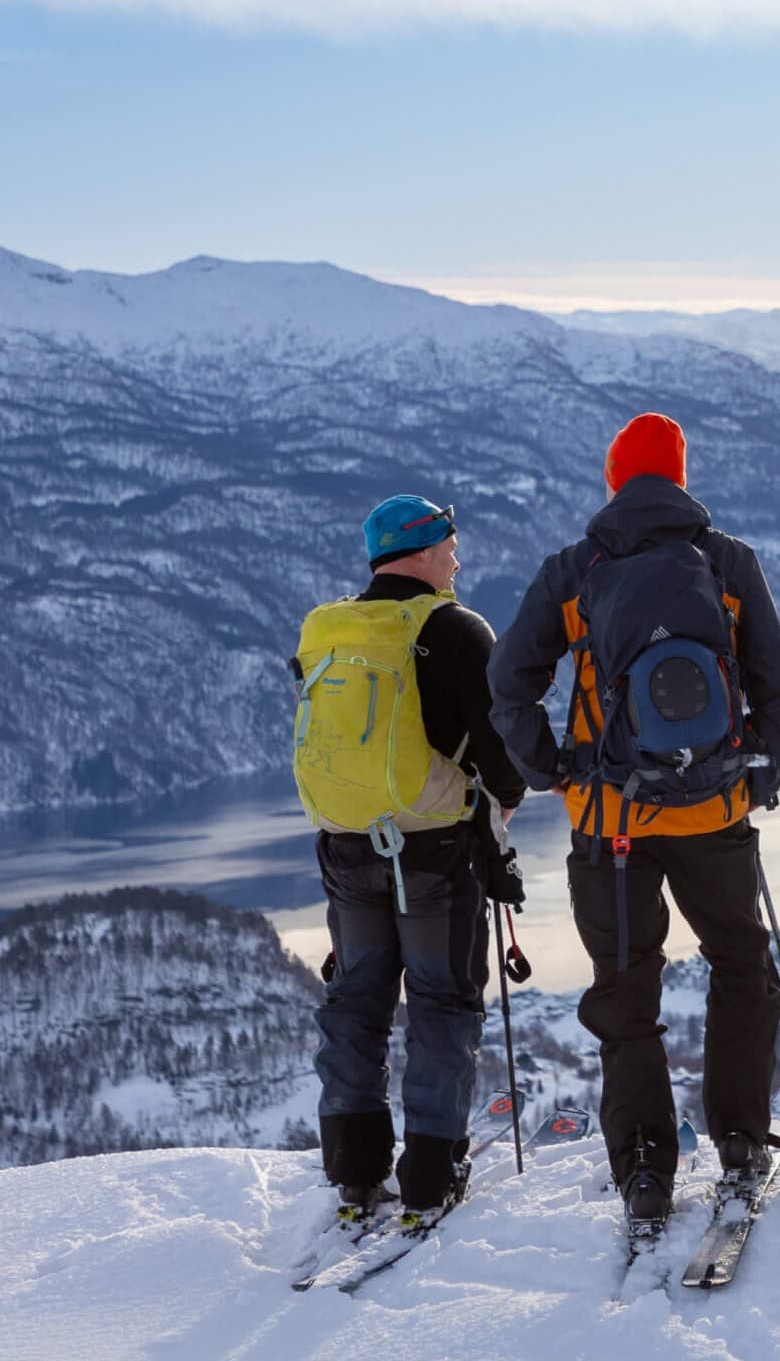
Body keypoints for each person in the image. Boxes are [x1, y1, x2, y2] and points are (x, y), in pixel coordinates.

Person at [488, 412, 780, 1241]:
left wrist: (547, 768)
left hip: (609, 819)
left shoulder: (576, 570)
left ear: (616, 479)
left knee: (625, 992)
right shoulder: (727, 562)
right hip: (714, 816)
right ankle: (738, 1141)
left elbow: (508, 680)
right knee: (740, 966)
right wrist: (759, 775)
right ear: (681, 476)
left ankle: (646, 1170)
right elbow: (775, 681)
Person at [292, 495, 529, 1227]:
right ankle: (429, 1170)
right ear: (423, 550)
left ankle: (354, 1166)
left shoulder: (328, 630)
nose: (457, 557)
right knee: (441, 1000)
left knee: (357, 997)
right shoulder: (454, 630)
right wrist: (507, 800)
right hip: (432, 851)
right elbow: (501, 748)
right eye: (450, 544)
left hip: (347, 846)